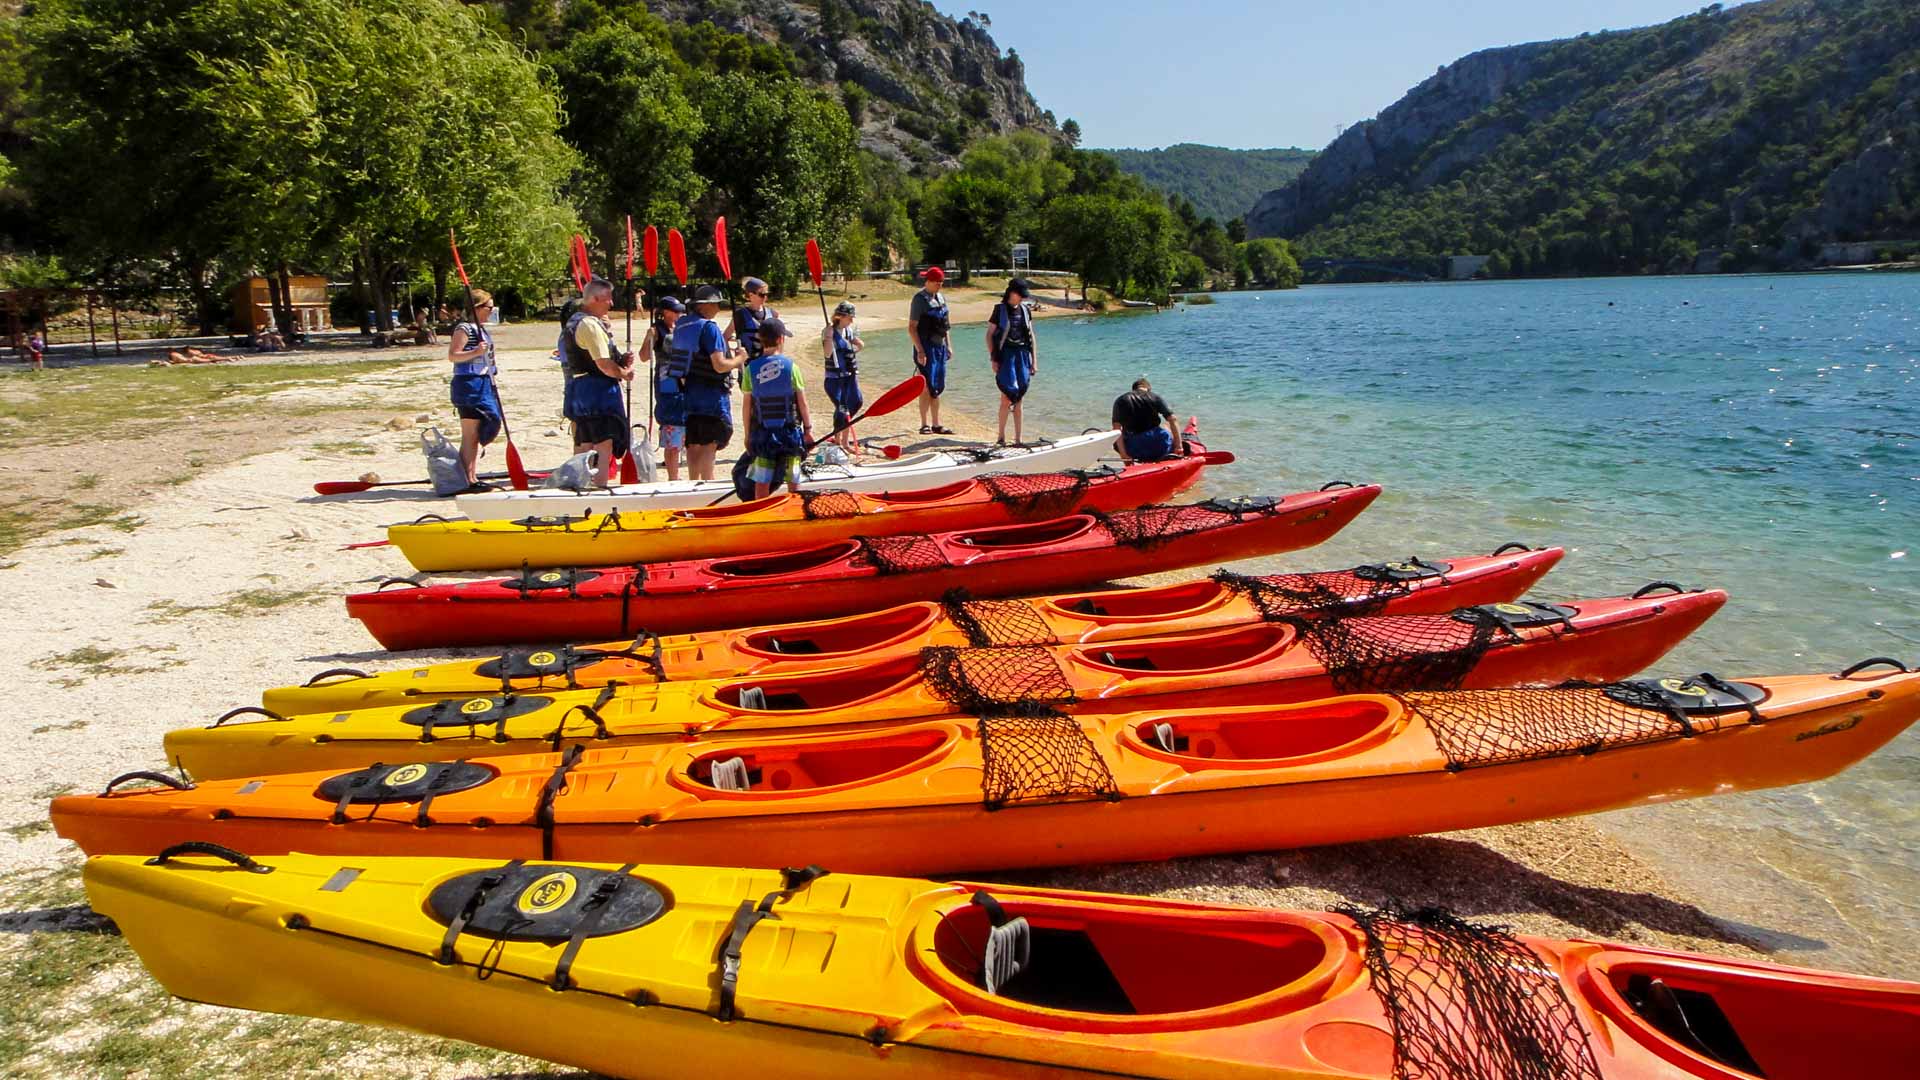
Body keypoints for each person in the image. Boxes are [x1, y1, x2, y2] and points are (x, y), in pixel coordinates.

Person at [561, 277, 636, 486]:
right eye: (607, 299)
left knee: (584, 440)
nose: (611, 303)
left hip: (580, 389)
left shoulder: (575, 321)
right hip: (597, 391)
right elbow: (603, 364)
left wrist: (620, 360)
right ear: (594, 299)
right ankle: (600, 485)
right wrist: (624, 373)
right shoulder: (589, 324)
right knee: (604, 441)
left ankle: (580, 483)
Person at [665, 283, 744, 481]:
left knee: (694, 443)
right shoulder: (709, 328)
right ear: (705, 305)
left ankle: (693, 483)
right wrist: (739, 359)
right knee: (710, 443)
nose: (718, 308)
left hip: (690, 393)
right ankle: (708, 483)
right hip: (712, 395)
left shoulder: (682, 325)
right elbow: (719, 365)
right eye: (716, 304)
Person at [742, 318, 814, 500]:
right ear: (781, 339)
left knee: (762, 481)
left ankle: (761, 509)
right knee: (793, 479)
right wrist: (808, 430)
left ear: (760, 339)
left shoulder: (751, 369)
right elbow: (802, 403)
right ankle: (795, 508)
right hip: (789, 434)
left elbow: (747, 406)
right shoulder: (792, 367)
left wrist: (747, 435)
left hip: (763, 434)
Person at [447, 290, 504, 491]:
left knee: (479, 430)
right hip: (469, 385)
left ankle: (470, 476)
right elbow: (453, 355)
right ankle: (467, 479)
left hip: (483, 383)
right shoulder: (464, 329)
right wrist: (476, 352)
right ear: (478, 308)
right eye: (489, 307)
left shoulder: (481, 329)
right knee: (470, 434)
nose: (492, 311)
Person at [638, 295, 686, 480]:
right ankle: (673, 476)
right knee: (672, 425)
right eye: (675, 311)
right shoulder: (657, 330)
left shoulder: (682, 327)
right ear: (665, 312)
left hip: (685, 380)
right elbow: (644, 357)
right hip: (667, 382)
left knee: (686, 425)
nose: (679, 314)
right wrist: (649, 338)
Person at [986, 278, 1037, 445]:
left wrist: (1034, 361)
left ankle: (1018, 439)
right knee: (1006, 397)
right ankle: (1001, 437)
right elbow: (989, 335)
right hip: (1005, 356)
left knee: (1020, 397)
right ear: (1012, 293)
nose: (1022, 298)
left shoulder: (1025, 310)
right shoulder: (999, 310)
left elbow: (1031, 336)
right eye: (1020, 295)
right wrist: (993, 358)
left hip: (1022, 355)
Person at [907, 266, 953, 434]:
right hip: (925, 347)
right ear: (928, 282)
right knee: (926, 386)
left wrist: (949, 346)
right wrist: (920, 350)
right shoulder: (919, 300)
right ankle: (924, 424)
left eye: (941, 282)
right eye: (936, 282)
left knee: (937, 386)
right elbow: (912, 328)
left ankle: (936, 423)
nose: (939, 285)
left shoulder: (941, 298)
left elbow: (945, 326)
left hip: (940, 347)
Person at [820, 300, 864, 453]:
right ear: (841, 317)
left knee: (856, 402)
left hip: (849, 376)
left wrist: (857, 347)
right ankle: (842, 442)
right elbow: (827, 354)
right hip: (835, 379)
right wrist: (828, 338)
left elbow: (858, 344)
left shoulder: (848, 331)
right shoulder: (828, 332)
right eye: (850, 318)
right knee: (843, 408)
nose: (852, 320)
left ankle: (840, 439)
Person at [1111, 377, 1186, 462]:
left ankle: (1129, 463)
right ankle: (1167, 458)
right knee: (1166, 427)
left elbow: (1116, 429)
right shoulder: (1155, 397)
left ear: (1133, 389)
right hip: (1160, 445)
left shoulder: (1120, 400)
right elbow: (1173, 420)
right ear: (1148, 389)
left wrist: (1124, 455)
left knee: (1115, 440)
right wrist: (1179, 447)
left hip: (1135, 449)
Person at [729, 277, 780, 364]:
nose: (765, 297)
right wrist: (733, 356)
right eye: (762, 294)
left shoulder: (773, 314)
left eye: (766, 294)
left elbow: (779, 341)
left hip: (768, 364)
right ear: (751, 295)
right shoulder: (740, 315)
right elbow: (725, 337)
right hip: (748, 366)